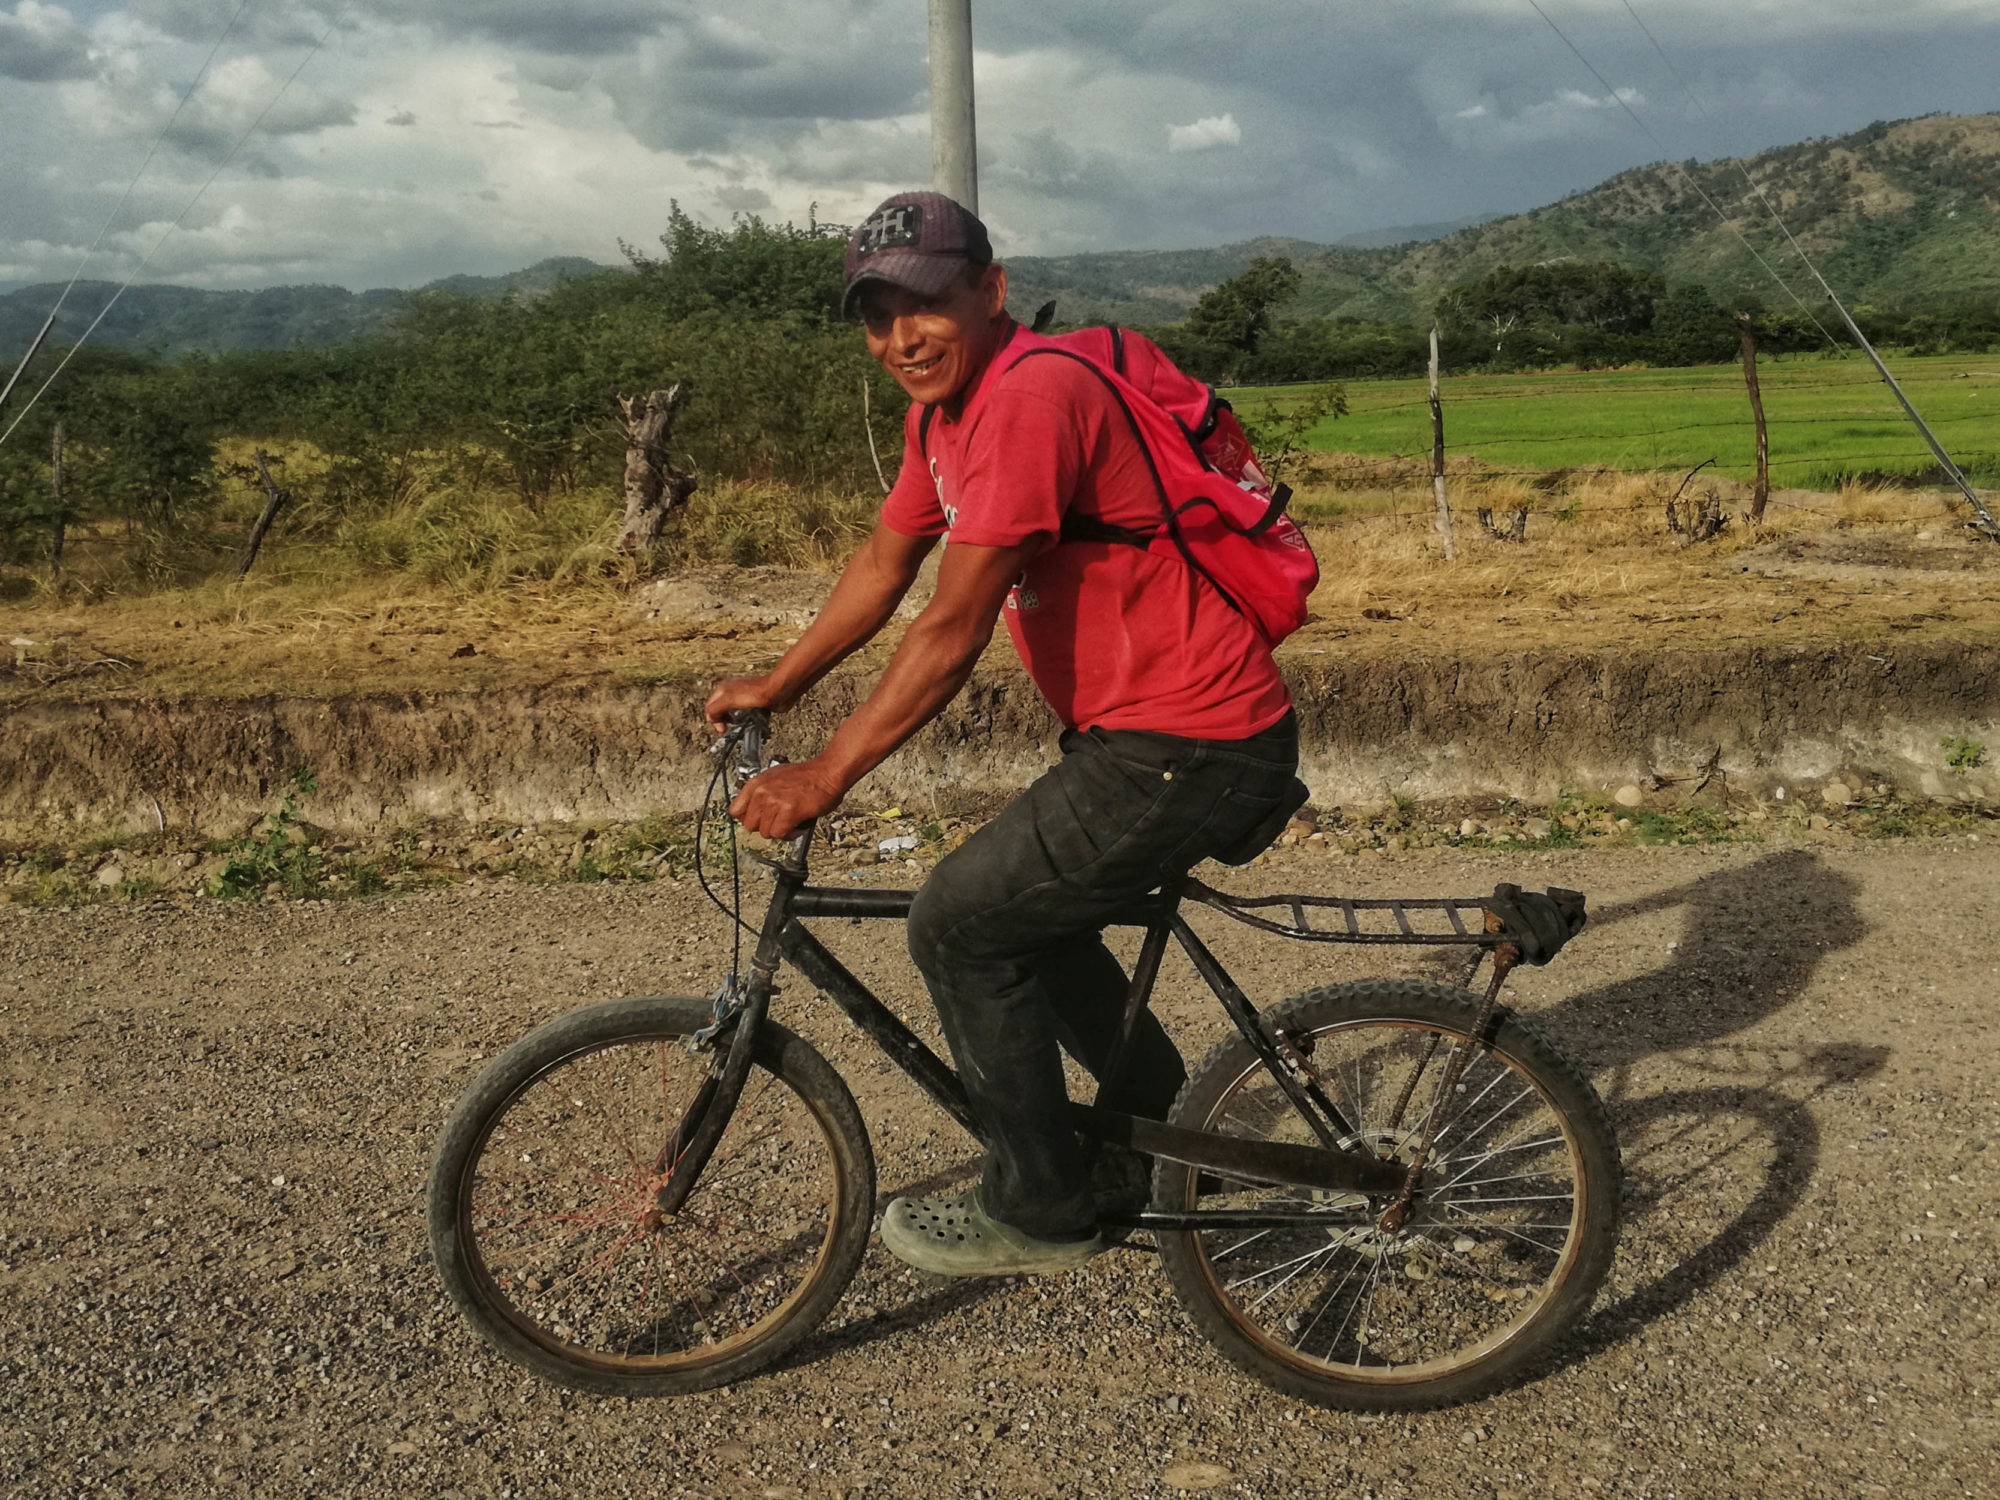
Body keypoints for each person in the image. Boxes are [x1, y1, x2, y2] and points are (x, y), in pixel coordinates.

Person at [705, 190, 1302, 1277]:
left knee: (957, 925)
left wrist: (827, 774)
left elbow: (952, 625)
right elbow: (885, 568)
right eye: (875, 318)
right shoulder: (939, 418)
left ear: (989, 291)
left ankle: (1041, 1207)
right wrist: (777, 685)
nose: (899, 339)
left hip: (1190, 741)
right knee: (1029, 919)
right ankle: (1161, 1142)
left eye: (924, 306)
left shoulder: (1033, 399)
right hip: (1139, 737)